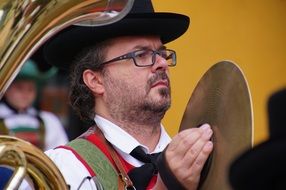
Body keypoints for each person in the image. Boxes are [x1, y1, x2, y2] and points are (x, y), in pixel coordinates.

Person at [43, 0, 214, 189]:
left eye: (162, 53)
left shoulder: (198, 158)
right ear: (95, 81)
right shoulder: (64, 168)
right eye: (140, 55)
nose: (162, 63)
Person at [0, 59, 68, 151]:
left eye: (30, 89)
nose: (25, 94)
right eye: (19, 88)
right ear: (6, 90)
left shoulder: (48, 120)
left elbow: (60, 153)